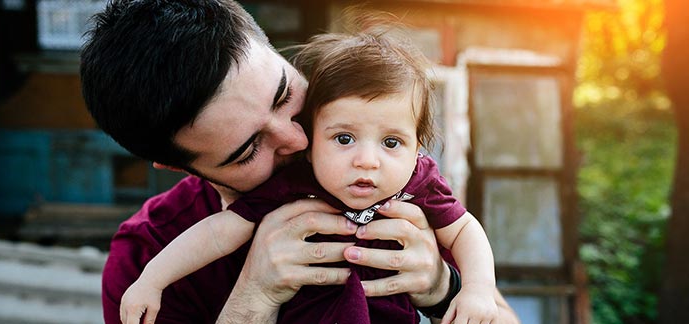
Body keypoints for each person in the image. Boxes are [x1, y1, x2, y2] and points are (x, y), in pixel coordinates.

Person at [80, 0, 520, 323]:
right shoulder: (143, 257)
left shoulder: (388, 181)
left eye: (285, 95)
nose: (297, 138)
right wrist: (253, 296)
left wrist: (443, 287)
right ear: (177, 165)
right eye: (248, 149)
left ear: (273, 50)